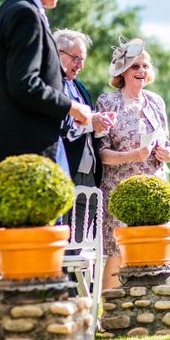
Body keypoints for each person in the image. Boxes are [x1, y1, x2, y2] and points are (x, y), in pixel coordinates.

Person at [0, 0, 94, 175]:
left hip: (5, 143)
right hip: (24, 149)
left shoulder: (8, 8)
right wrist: (72, 106)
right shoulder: (26, 14)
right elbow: (24, 83)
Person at [96, 37, 170, 289]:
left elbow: (168, 144)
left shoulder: (156, 102)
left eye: (145, 66)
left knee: (155, 249)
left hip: (154, 188)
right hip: (121, 190)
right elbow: (102, 153)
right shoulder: (107, 102)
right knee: (118, 250)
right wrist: (133, 156)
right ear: (122, 71)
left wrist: (167, 154)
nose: (141, 71)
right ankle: (110, 311)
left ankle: (151, 305)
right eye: (135, 66)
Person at [54, 29, 113, 253]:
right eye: (75, 58)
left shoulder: (80, 87)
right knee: (63, 239)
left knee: (79, 243)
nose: (79, 64)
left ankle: (74, 287)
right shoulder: (53, 84)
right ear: (58, 53)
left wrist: (101, 124)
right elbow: (61, 125)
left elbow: (88, 127)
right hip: (65, 167)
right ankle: (66, 286)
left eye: (82, 60)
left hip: (88, 172)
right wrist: (91, 122)